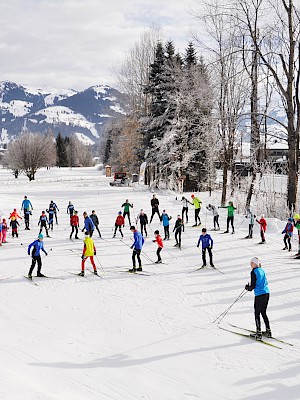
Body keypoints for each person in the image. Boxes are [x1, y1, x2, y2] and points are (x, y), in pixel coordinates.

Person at [245, 257, 271, 340]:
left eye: (251, 262)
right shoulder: (262, 270)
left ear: (255, 263)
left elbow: (252, 286)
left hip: (259, 295)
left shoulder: (253, 272)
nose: (250, 264)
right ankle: (268, 331)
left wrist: (248, 288)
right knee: (263, 312)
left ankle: (258, 333)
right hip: (266, 293)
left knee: (257, 313)